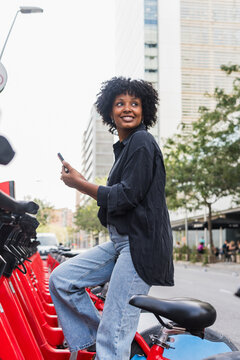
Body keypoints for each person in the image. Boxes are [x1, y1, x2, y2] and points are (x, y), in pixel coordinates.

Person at [49, 77, 174, 360]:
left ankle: (109, 348)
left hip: (140, 244)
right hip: (122, 243)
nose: (127, 108)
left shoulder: (142, 141)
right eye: (120, 103)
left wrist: (80, 185)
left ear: (145, 110)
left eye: (135, 103)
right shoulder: (125, 148)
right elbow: (114, 204)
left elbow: (126, 196)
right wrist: (83, 182)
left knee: (114, 332)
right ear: (109, 111)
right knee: (62, 280)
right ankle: (97, 347)